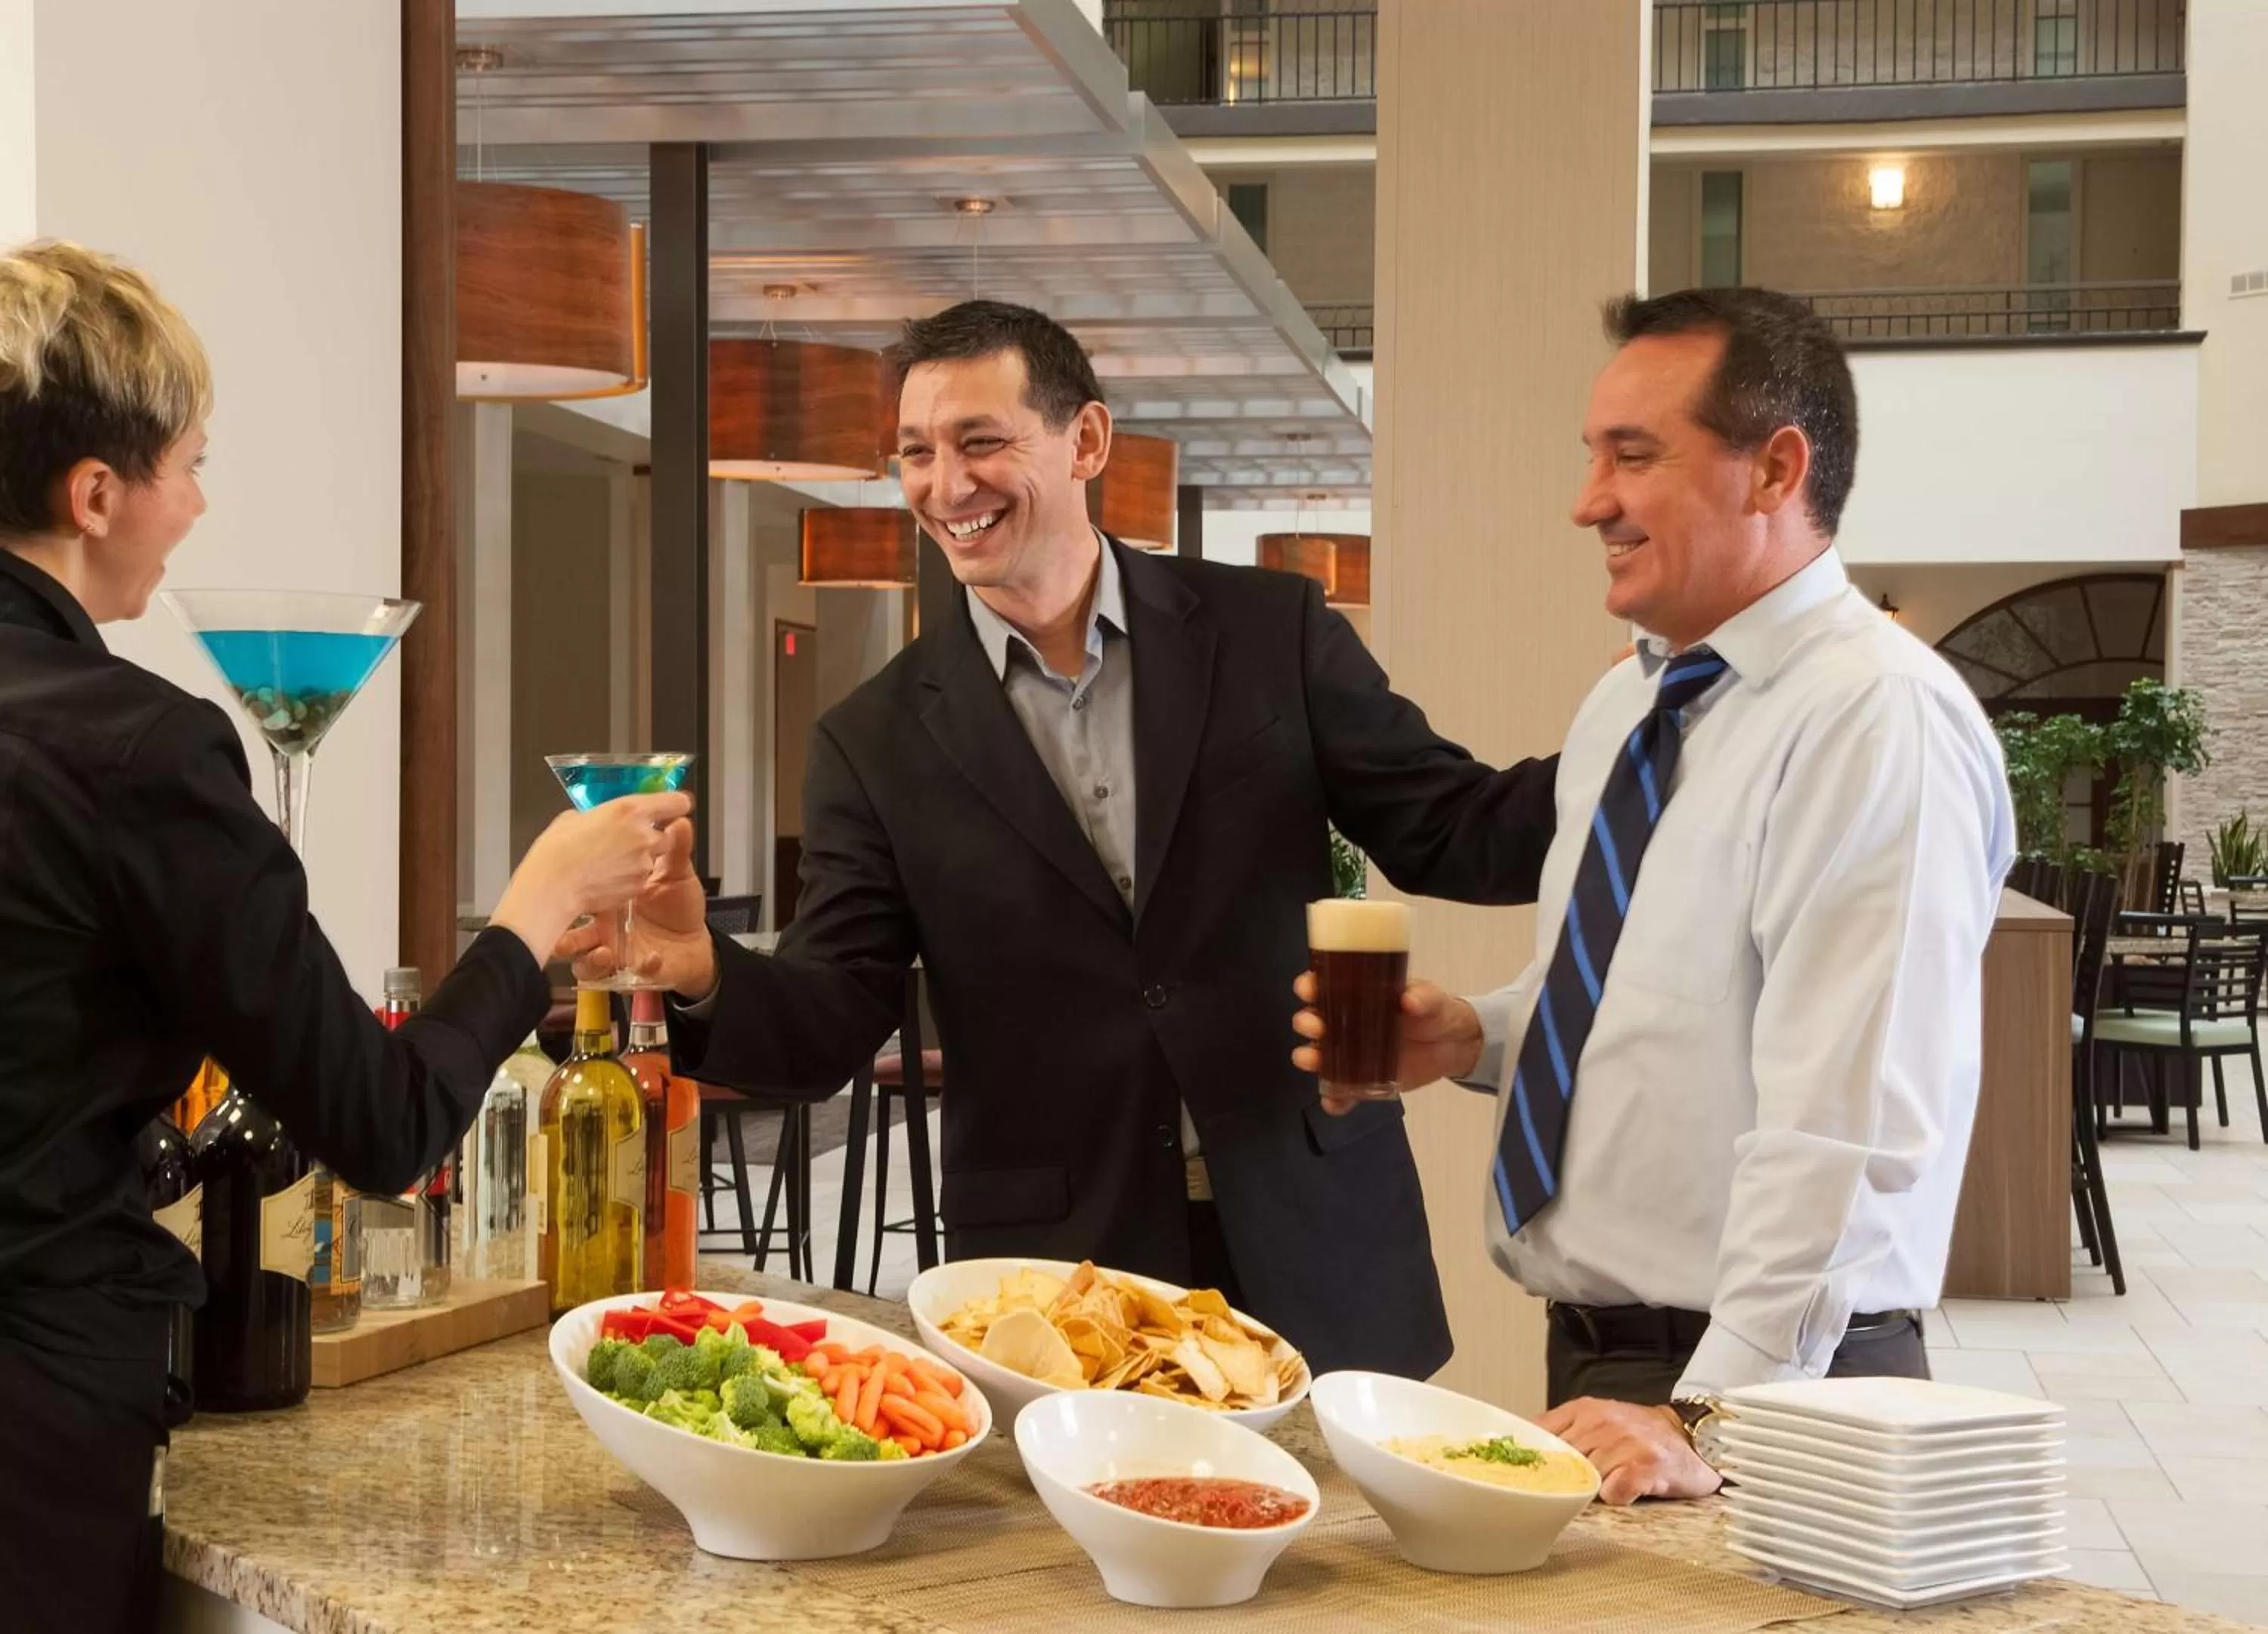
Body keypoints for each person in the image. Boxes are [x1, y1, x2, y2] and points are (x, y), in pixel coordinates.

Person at [573, 299, 1560, 1379]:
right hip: (1062, 1274)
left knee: (1356, 1555)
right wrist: (706, 969)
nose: (946, 486)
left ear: (1085, 440)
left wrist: (1636, 746)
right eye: (916, 452)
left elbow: (1455, 828)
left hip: (1314, 1234)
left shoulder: (1270, 630)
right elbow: (833, 1017)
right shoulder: (874, 740)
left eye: (982, 441)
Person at [0, 240, 690, 1630]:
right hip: (32, 1421)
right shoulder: (140, 749)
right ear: (94, 493)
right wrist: (537, 906)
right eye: (188, 465)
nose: (196, 505)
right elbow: (380, 1121)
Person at [1293, 287, 2013, 1505]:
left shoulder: (1874, 718)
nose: (1590, 502)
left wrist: (1717, 1416)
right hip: (1606, 1353)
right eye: (1593, 456)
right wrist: (1477, 1034)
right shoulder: (1627, 704)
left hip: (1778, 1379)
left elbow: (1848, 1134)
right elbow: (1640, 995)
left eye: (1634, 456)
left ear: (1776, 468)